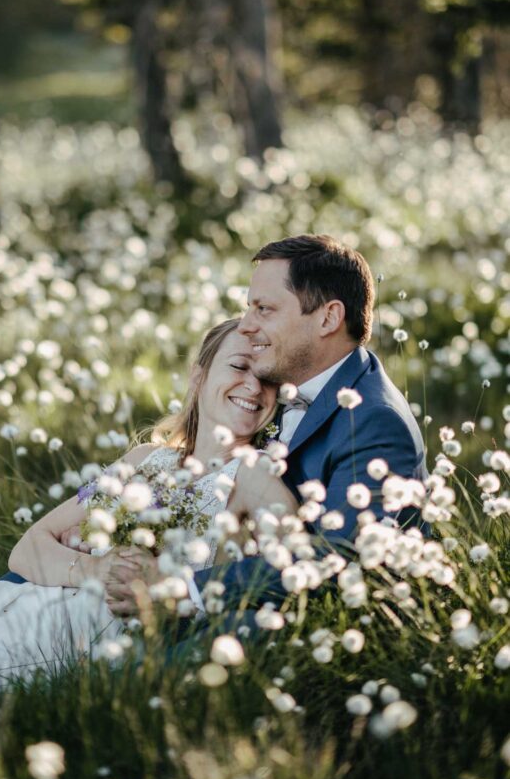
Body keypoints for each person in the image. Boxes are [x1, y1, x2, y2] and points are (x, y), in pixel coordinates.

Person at [0, 320, 295, 686]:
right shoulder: (143, 460)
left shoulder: (255, 479)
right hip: (29, 598)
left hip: (83, 639)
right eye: (239, 367)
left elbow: (296, 568)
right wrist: (97, 568)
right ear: (199, 376)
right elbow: (28, 549)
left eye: (268, 378)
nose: (254, 387)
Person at [178, 233, 428, 617]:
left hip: (315, 623)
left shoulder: (375, 422)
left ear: (328, 318)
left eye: (264, 309)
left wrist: (186, 589)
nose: (245, 326)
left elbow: (339, 559)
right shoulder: (277, 387)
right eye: (249, 308)